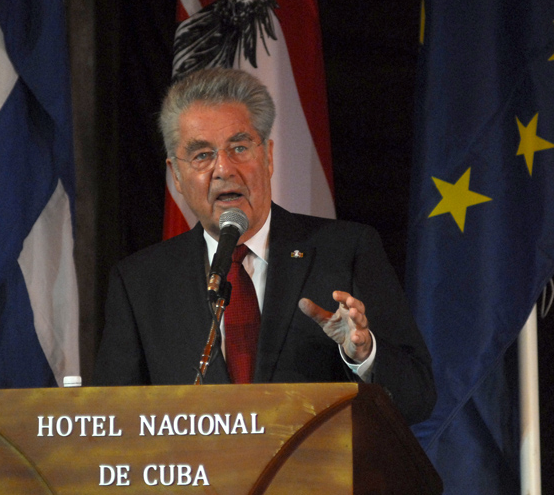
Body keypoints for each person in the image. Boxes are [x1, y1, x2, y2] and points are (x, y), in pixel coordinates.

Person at [93, 68, 435, 425]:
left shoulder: (346, 251)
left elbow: (419, 397)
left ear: (268, 157)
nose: (224, 169)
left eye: (239, 148)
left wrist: (363, 355)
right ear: (176, 175)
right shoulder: (140, 283)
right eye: (202, 155)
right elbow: (111, 421)